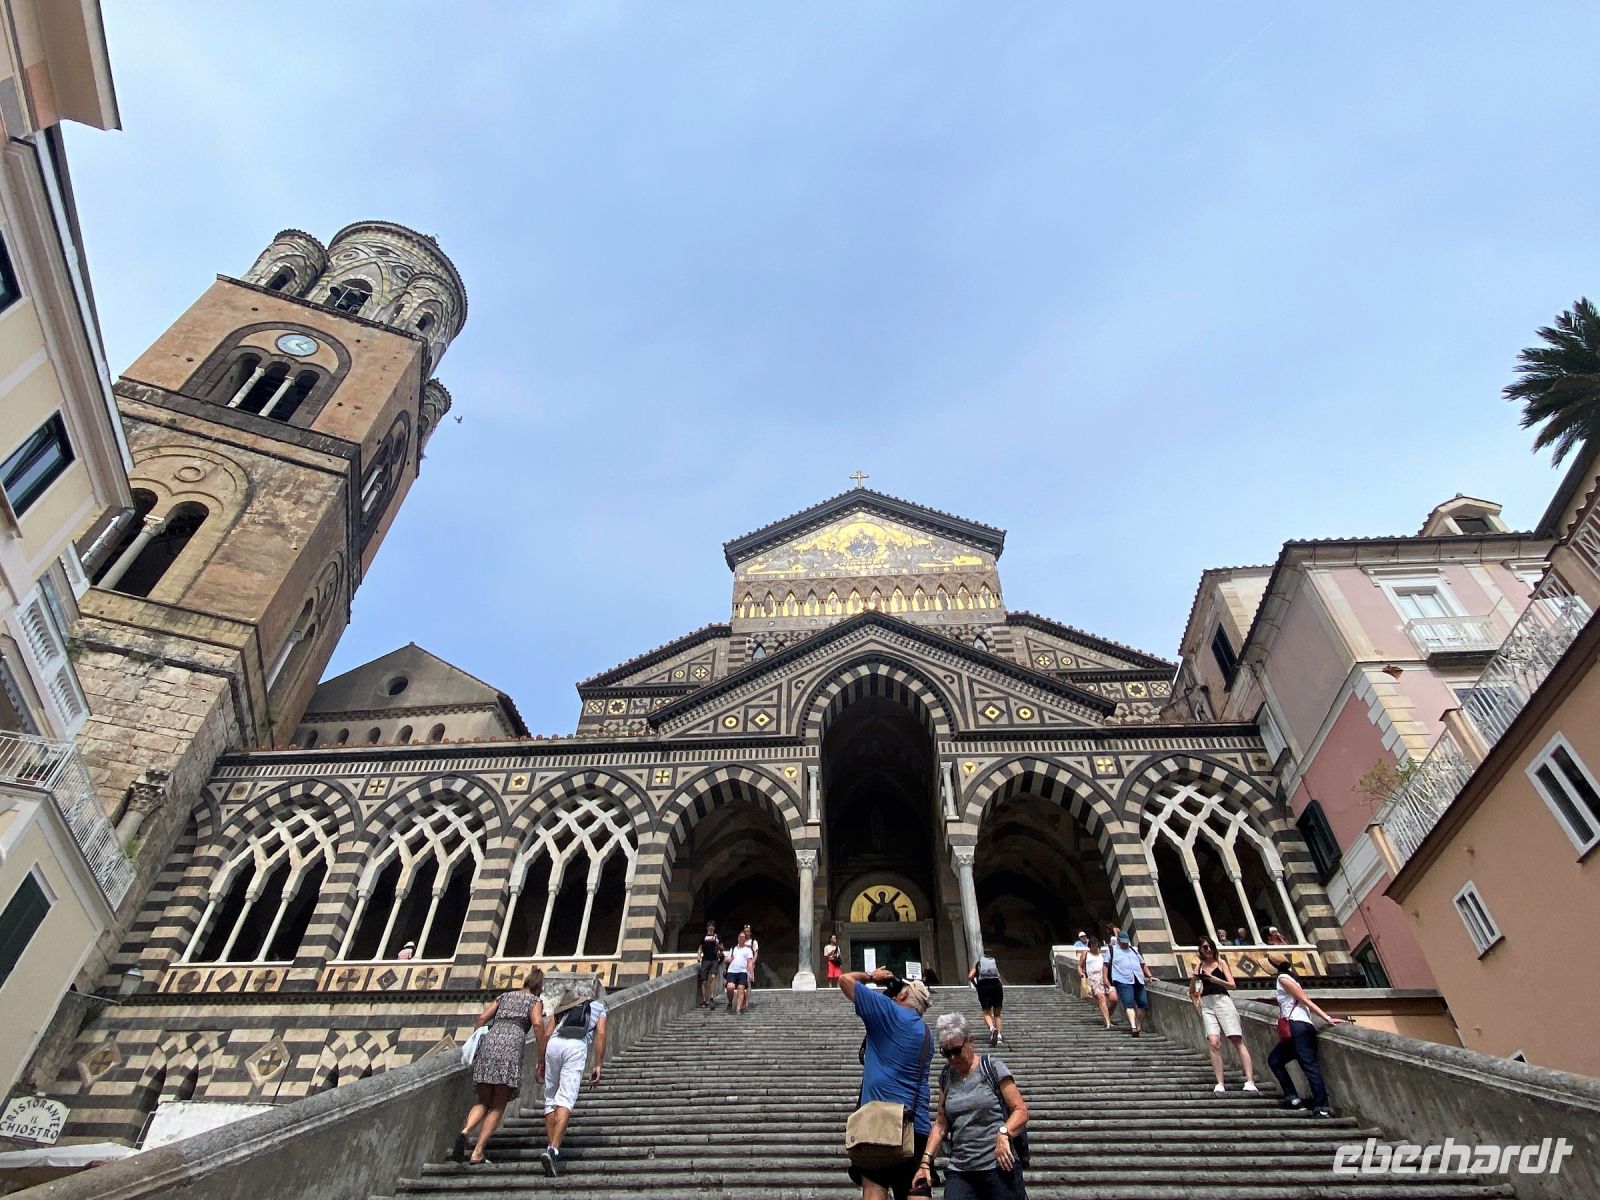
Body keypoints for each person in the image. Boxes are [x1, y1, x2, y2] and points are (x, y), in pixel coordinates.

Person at [840, 965, 934, 1200]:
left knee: (874, 1188)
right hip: (916, 1125)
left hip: (879, 1123)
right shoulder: (926, 1034)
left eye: (900, 990)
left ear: (902, 996)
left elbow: (845, 980)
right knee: (915, 1189)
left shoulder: (888, 1012)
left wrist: (871, 977)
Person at [914, 1013, 1029, 1200]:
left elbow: (1021, 1111)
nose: (952, 1058)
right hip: (961, 1169)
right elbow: (941, 1122)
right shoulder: (946, 1076)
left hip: (999, 1166)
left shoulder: (992, 1068)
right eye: (946, 1053)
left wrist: (1004, 1132)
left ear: (970, 1041)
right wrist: (926, 1161)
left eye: (956, 1051)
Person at [454, 967, 545, 1167]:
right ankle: (478, 1151)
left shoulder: (504, 997)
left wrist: (479, 1037)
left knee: (483, 1099)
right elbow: (538, 1024)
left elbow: (481, 1018)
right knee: (498, 1104)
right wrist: (541, 1056)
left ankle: (466, 1131)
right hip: (511, 1047)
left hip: (490, 1042)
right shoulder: (534, 1001)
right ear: (539, 987)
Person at [539, 987, 609, 1176]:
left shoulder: (566, 1005)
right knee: (566, 1100)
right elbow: (600, 1032)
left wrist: (540, 1060)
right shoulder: (599, 1006)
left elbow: (546, 1033)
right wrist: (598, 1065)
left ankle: (550, 1144)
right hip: (575, 1048)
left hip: (554, 1045)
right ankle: (553, 1150)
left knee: (550, 1098)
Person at [1266, 958, 1343, 1118]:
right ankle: (1293, 1099)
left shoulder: (1283, 979)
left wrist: (1326, 1018)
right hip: (1300, 1026)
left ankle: (1322, 1107)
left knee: (1309, 1066)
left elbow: (1304, 1000)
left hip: (1297, 1026)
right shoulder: (1287, 979)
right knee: (1275, 1060)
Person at [1191, 937, 1257, 1093]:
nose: (1207, 950)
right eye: (1204, 947)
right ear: (1200, 950)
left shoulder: (1221, 963)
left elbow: (1232, 985)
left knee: (1236, 1038)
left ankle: (1250, 1080)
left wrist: (1214, 979)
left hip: (1223, 1001)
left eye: (1209, 947)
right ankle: (1220, 1083)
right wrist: (1195, 976)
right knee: (1213, 1042)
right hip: (1207, 1004)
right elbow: (1191, 989)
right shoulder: (1199, 967)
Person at [1105, 931, 1154, 1037]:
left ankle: (1138, 1025)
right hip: (1122, 979)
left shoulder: (1134, 950)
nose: (1125, 944)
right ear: (1118, 940)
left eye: (1126, 942)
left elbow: (1142, 964)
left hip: (1138, 979)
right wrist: (1105, 979)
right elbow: (1105, 965)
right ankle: (1133, 1027)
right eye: (1123, 942)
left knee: (1143, 1004)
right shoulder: (1112, 950)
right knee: (1129, 1003)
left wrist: (1149, 976)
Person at [968, 951, 1006, 1047]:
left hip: (984, 988)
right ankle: (999, 1037)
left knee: (986, 1012)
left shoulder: (978, 965)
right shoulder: (993, 966)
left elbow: (970, 976)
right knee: (997, 1014)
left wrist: (976, 985)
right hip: (997, 986)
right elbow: (999, 977)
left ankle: (992, 1029)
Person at [1078, 935, 1114, 1029]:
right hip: (1093, 979)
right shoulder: (1085, 954)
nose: (1095, 948)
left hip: (1104, 977)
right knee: (1101, 998)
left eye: (1096, 946)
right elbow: (1079, 966)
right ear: (1090, 946)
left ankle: (1107, 1018)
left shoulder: (1102, 954)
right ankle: (1108, 1023)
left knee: (1113, 999)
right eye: (1093, 946)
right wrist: (1081, 973)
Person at [725, 930, 756, 1015]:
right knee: (730, 987)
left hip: (743, 971)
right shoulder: (733, 949)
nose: (741, 939)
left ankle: (738, 1008)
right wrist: (726, 959)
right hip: (732, 971)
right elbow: (728, 959)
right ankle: (730, 1002)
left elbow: (750, 962)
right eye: (740, 937)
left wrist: (750, 973)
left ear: (745, 939)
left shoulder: (748, 950)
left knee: (741, 989)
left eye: (743, 937)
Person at [697, 921, 724, 1008]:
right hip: (705, 960)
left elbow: (722, 949)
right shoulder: (703, 937)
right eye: (709, 926)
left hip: (714, 959)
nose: (711, 927)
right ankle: (705, 1000)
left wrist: (717, 945)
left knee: (713, 977)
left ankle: (712, 998)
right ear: (707, 928)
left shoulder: (717, 937)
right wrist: (698, 956)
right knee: (704, 981)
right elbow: (700, 948)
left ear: (714, 928)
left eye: (712, 926)